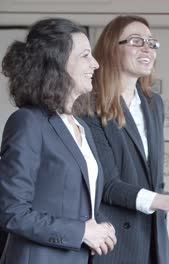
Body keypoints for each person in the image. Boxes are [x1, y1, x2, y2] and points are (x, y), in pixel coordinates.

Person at [75, 15, 169, 264]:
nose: (147, 48)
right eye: (136, 41)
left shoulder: (153, 103)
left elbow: (150, 180)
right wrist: (168, 203)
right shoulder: (88, 105)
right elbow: (106, 184)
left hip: (155, 239)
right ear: (111, 48)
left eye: (151, 42)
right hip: (113, 243)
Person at [0, 18, 116, 264]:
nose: (95, 64)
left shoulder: (81, 126)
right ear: (57, 63)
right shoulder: (27, 122)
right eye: (85, 55)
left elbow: (76, 201)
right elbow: (12, 212)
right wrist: (82, 231)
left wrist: (99, 226)